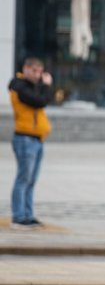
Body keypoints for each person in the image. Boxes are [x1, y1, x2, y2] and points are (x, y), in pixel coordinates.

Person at [8, 57, 53, 229]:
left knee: (31, 180)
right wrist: (46, 85)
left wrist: (42, 86)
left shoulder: (32, 87)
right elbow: (39, 101)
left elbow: (42, 99)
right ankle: (18, 217)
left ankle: (28, 215)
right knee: (23, 178)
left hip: (37, 138)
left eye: (39, 72)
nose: (37, 75)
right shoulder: (18, 86)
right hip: (24, 138)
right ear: (25, 69)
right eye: (34, 71)